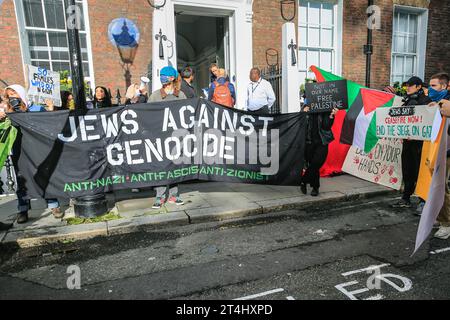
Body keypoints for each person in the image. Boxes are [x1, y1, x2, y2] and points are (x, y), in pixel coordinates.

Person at [0, 85, 63, 223]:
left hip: (36, 148)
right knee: (22, 179)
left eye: (14, 94)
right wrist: (2, 117)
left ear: (21, 94)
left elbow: (48, 123)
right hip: (18, 150)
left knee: (44, 176)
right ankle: (23, 209)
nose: (12, 98)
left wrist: (50, 109)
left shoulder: (35, 108)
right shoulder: (6, 110)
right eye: (9, 95)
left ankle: (53, 205)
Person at [391, 76, 432, 209]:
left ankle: (423, 200)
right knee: (407, 170)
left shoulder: (426, 101)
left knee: (419, 171)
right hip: (407, 143)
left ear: (419, 86)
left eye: (410, 85)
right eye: (406, 85)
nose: (407, 87)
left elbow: (427, 121)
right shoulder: (407, 100)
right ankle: (406, 198)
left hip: (420, 144)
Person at [149, 66, 186, 209]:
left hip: (176, 137)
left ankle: (174, 195)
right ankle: (159, 196)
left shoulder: (180, 95)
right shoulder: (155, 96)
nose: (162, 77)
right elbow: (147, 114)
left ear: (172, 78)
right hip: (160, 137)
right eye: (161, 75)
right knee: (161, 166)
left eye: (164, 75)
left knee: (175, 166)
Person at [300, 105, 338, 197]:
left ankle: (303, 180)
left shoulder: (325, 107)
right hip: (309, 142)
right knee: (313, 165)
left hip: (322, 141)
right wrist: (304, 113)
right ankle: (315, 188)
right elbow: (301, 124)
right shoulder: (305, 107)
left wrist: (331, 115)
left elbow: (326, 126)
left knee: (317, 163)